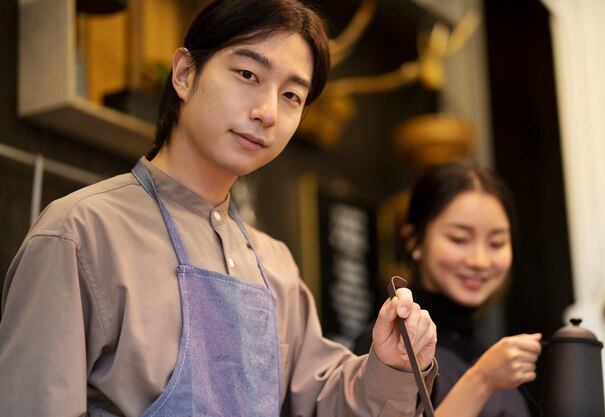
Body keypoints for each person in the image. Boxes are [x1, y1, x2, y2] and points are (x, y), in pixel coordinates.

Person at [0, 1, 438, 416]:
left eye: (292, 96)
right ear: (186, 74)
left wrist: (389, 366)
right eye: (248, 74)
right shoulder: (80, 232)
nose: (267, 111)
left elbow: (322, 402)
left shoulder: (275, 265)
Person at [353, 159, 542, 417]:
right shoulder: (387, 346)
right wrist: (481, 381)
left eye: (496, 243)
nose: (480, 261)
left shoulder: (493, 355)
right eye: (459, 239)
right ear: (413, 240)